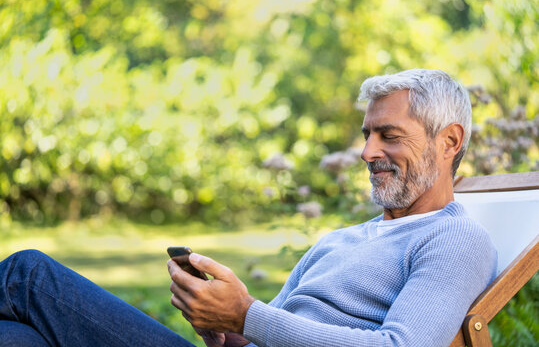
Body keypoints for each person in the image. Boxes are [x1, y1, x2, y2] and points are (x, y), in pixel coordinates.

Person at [0, 69, 497, 347]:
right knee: (16, 339)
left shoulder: (453, 239)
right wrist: (220, 327)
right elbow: (250, 338)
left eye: (389, 135)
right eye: (367, 134)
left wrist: (246, 314)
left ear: (449, 140)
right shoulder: (344, 239)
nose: (367, 152)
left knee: (27, 275)